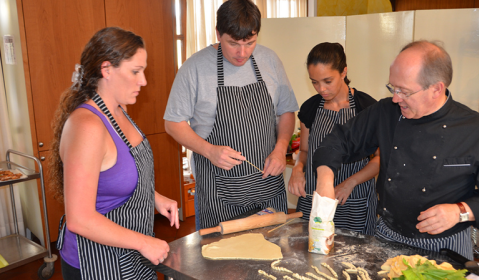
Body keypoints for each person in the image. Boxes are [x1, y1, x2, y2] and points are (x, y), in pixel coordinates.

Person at [312, 40, 479, 259]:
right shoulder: (386, 112)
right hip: (388, 236)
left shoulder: (475, 130)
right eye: (393, 87)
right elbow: (340, 139)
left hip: (446, 245)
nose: (395, 98)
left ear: (436, 89)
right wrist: (325, 180)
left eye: (404, 91)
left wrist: (459, 212)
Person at [49, 27, 180, 280]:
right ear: (106, 69)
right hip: (97, 262)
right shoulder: (86, 126)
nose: (143, 81)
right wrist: (144, 243)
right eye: (135, 71)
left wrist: (154, 197)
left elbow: (115, 175)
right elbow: (80, 219)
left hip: (129, 252)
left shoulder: (120, 111)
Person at [164, 0, 298, 229]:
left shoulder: (270, 61)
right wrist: (209, 150)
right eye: (233, 43)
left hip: (267, 186)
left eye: (250, 43)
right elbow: (173, 123)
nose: (242, 53)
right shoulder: (194, 67)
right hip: (218, 191)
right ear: (218, 34)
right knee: (221, 262)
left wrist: (279, 148)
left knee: (274, 255)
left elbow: (286, 111)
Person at [288, 42, 380, 235]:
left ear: (343, 72)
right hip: (315, 197)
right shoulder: (310, 108)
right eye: (314, 81)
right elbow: (304, 151)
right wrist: (297, 169)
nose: (321, 88)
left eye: (327, 81)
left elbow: (381, 159)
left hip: (354, 199)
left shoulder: (367, 108)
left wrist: (350, 183)